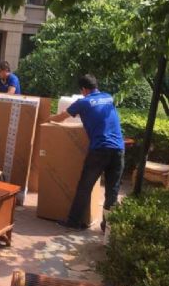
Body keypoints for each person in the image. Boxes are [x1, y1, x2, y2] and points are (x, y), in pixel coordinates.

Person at [49, 74, 124, 230]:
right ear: (96, 86)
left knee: (85, 186)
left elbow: (62, 117)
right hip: (118, 148)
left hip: (100, 150)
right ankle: (108, 227)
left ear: (83, 89)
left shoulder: (83, 102)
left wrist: (47, 118)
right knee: (112, 190)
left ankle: (73, 222)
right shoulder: (108, 97)